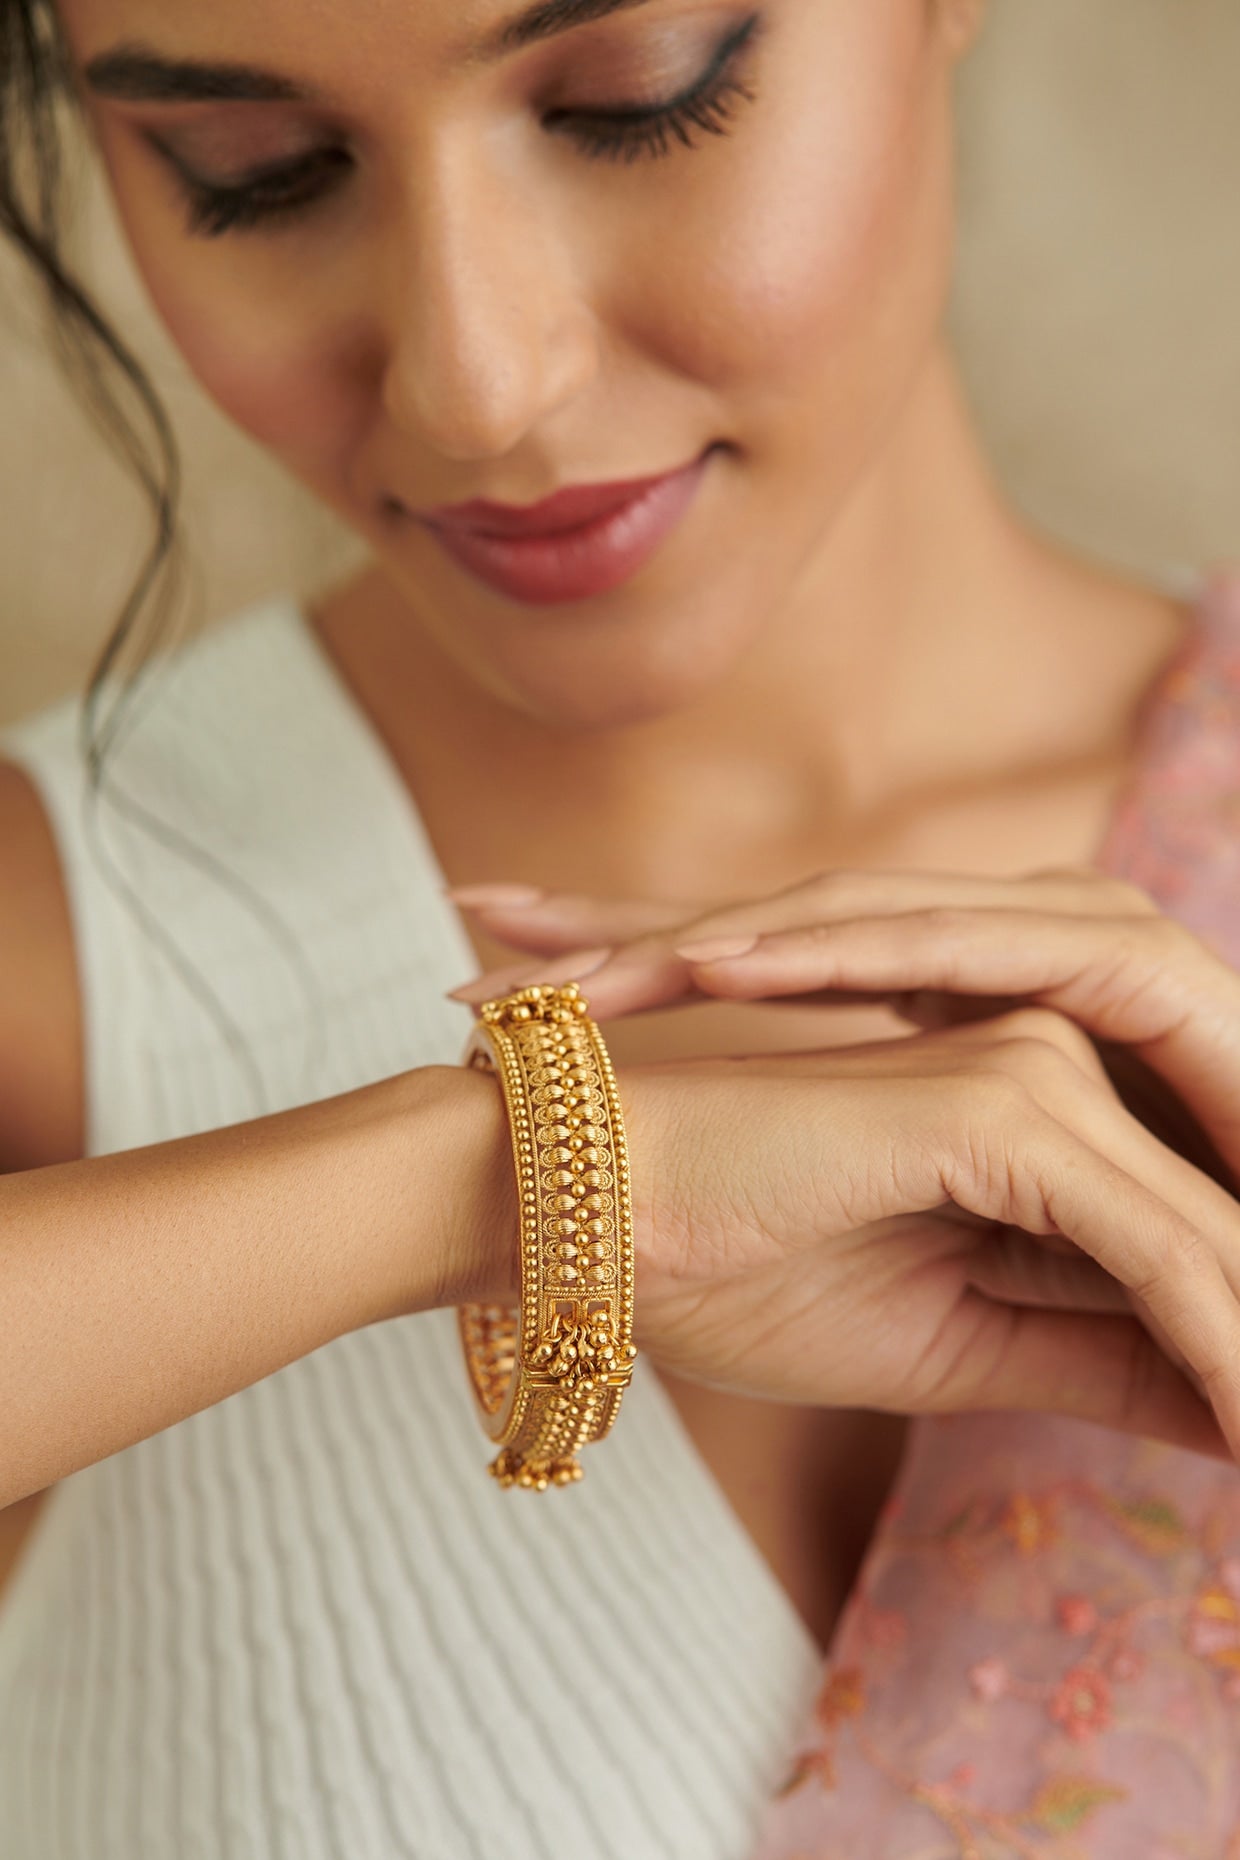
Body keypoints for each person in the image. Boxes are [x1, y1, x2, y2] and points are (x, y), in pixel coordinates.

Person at [0, 0, 1237, 1853]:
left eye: (639, 102)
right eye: (254, 173)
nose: (474, 383)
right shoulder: (50, 954)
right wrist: (498, 1183)